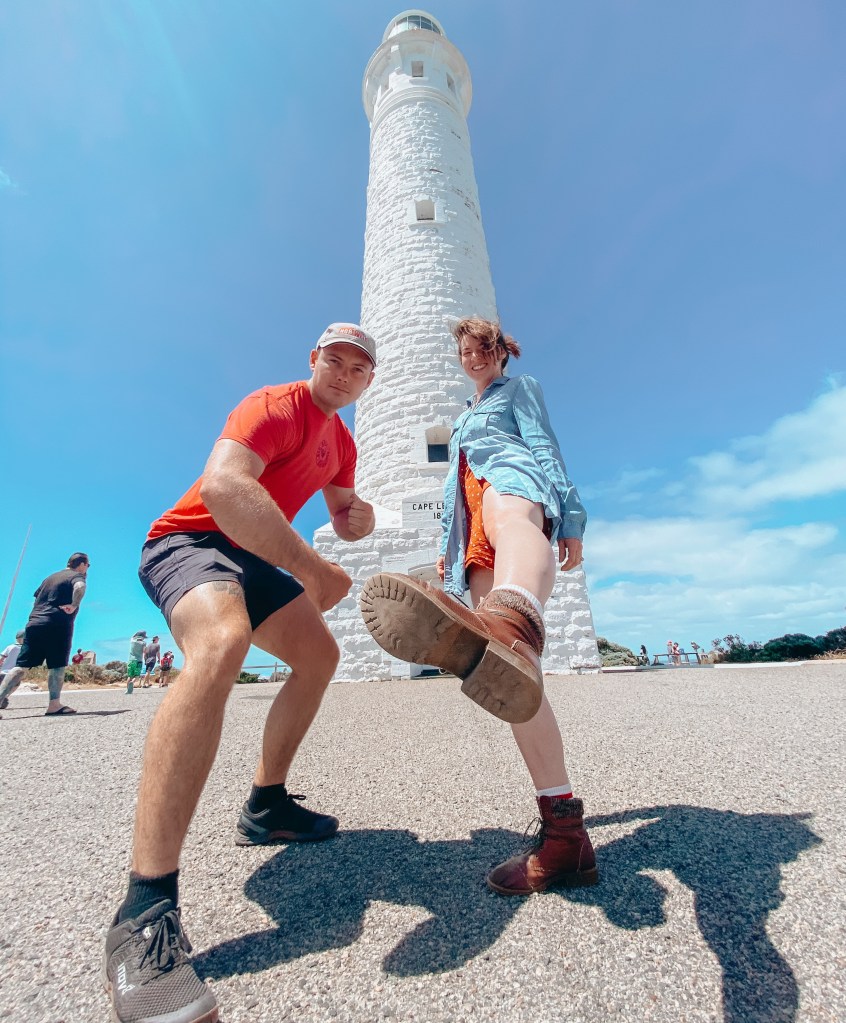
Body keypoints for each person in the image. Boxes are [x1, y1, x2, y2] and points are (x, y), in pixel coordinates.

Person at [103, 322, 377, 1023]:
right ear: (313, 360)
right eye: (335, 360)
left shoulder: (341, 441)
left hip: (253, 557)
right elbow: (225, 488)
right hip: (190, 539)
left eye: (359, 367)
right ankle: (144, 911)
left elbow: (341, 506)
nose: (345, 374)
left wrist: (354, 516)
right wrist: (313, 568)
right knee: (222, 643)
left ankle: (266, 805)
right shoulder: (275, 404)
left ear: (368, 380)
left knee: (320, 656)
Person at [362, 317, 596, 898]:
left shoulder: (520, 390)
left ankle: (514, 615)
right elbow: (453, 486)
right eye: (465, 352)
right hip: (466, 523)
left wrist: (568, 514)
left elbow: (543, 444)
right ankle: (565, 834)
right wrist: (447, 554)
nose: (473, 358)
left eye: (482, 349)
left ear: (501, 352)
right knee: (513, 673)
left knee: (512, 520)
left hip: (511, 481)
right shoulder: (462, 418)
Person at [0, 553, 89, 718]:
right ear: (82, 564)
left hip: (34, 623)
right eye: (88, 566)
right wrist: (74, 605)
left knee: (21, 666)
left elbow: (37, 598)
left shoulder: (50, 578)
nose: (87, 569)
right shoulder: (76, 576)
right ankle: (54, 704)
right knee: (57, 666)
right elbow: (80, 587)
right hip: (58, 623)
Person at [0, 630, 26, 709]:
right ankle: (5, 697)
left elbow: (1, 657)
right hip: (15, 674)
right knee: (15, 686)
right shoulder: (25, 649)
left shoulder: (10, 647)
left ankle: (2, 698)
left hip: (3, 672)